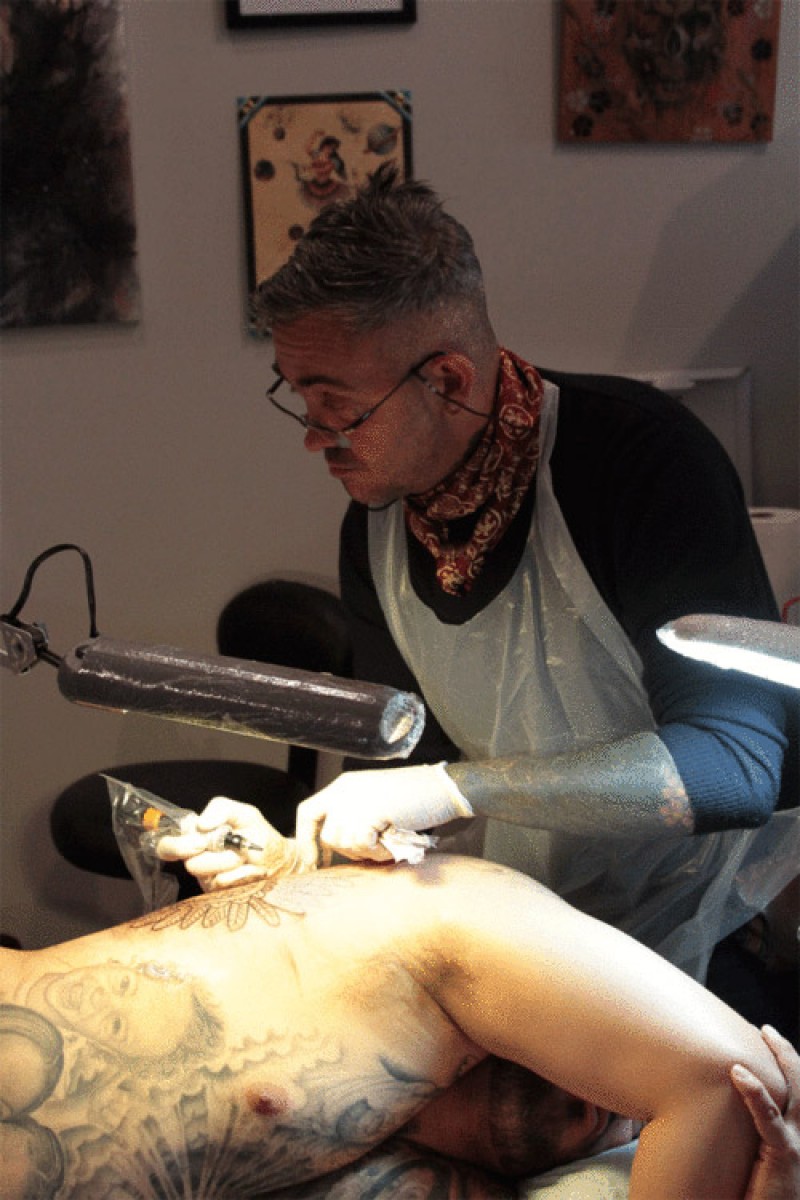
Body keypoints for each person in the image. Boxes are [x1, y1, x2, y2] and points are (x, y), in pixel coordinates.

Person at [248, 163, 798, 984]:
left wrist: (459, 790)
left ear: (447, 382)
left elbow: (734, 769)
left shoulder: (642, 464)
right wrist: (291, 856)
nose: (312, 437)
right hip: (527, 925)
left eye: (340, 409)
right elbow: (402, 769)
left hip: (706, 927)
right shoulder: (379, 525)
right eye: (300, 399)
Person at [0, 814, 795, 1200]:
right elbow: (730, 1083)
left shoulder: (388, 1164)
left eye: (624, 1135)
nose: (605, 1113)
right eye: (628, 1099)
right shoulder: (447, 915)